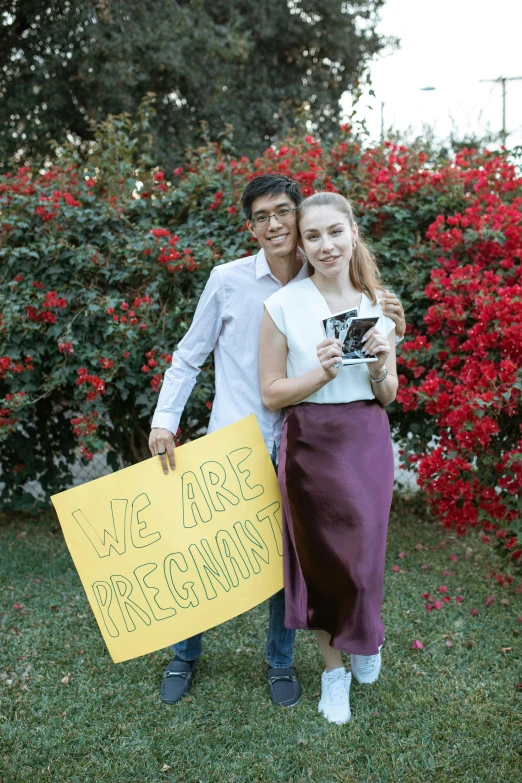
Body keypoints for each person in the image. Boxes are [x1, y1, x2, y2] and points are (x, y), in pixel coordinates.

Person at [149, 176, 406, 708]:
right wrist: (164, 420)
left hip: (302, 444)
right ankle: (184, 654)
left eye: (282, 213)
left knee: (290, 559)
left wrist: (389, 339)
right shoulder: (229, 280)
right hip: (237, 437)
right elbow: (189, 354)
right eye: (260, 217)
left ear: (300, 221)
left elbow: (381, 380)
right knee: (204, 552)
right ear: (251, 227)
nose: (273, 225)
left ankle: (281, 662)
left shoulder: (342, 289)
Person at [259, 191, 399, 725]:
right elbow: (272, 392)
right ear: (302, 242)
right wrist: (320, 372)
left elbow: (388, 395)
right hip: (310, 445)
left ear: (353, 232)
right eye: (312, 235)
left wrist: (384, 363)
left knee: (363, 561)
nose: (325, 245)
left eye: (334, 232)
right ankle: (332, 672)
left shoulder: (378, 303)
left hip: (365, 438)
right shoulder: (282, 306)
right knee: (319, 564)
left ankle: (366, 639)